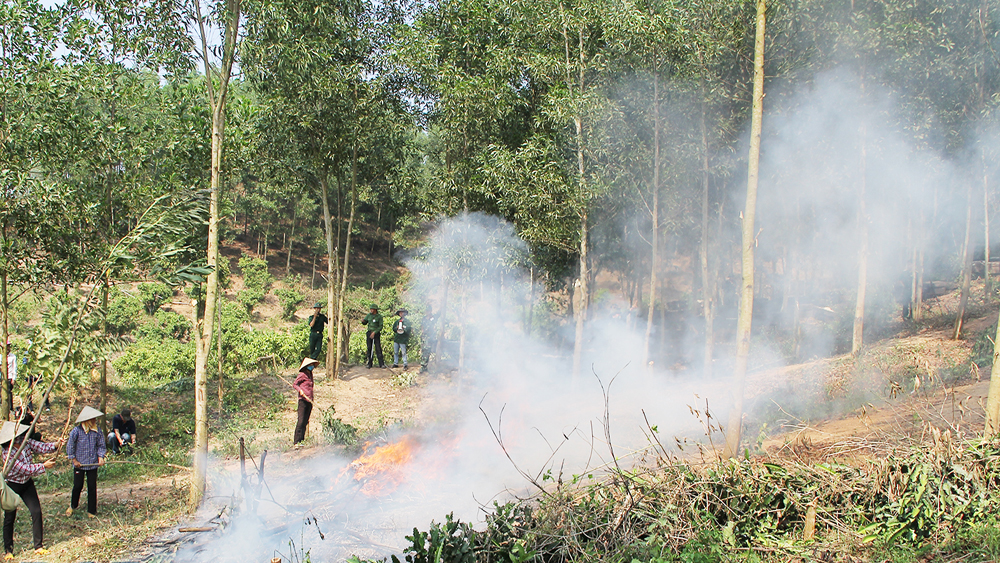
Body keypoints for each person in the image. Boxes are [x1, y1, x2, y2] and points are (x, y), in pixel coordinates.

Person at [1, 420, 59, 558]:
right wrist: (43, 466)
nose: (20, 437)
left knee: (36, 511)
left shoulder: (25, 441)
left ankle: (38, 546)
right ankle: (8, 550)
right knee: (10, 517)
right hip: (12, 484)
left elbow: (41, 447)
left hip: (26, 484)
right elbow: (24, 469)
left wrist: (55, 445)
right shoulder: (6, 453)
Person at [65, 406, 106, 518]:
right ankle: (73, 506)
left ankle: (91, 511)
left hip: (92, 464)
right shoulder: (76, 431)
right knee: (78, 486)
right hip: (80, 464)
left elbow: (101, 445)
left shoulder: (97, 431)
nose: (94, 421)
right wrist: (74, 460)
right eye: (92, 419)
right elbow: (70, 446)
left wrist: (100, 457)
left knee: (92, 487)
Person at [293, 358, 318, 445]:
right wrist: (300, 390)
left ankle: (302, 441)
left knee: (305, 421)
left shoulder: (310, 374)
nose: (312, 367)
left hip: (309, 400)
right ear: (307, 366)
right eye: (311, 365)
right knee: (301, 421)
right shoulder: (302, 374)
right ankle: (296, 442)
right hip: (303, 400)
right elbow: (295, 384)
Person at [361, 304, 385, 369]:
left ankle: (381, 363)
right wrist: (363, 321)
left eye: (372, 309)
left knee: (378, 348)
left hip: (376, 333)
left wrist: (374, 332)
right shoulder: (369, 315)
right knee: (369, 348)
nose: (371, 310)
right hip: (369, 332)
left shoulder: (379, 317)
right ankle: (369, 363)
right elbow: (365, 322)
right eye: (370, 309)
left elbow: (380, 326)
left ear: (375, 310)